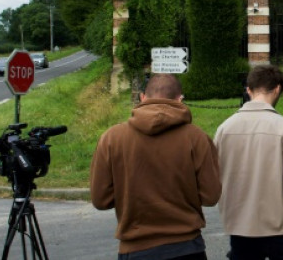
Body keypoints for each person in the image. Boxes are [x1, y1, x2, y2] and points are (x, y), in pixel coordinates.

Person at [90, 74, 221, 259]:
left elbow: (100, 199)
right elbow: (211, 196)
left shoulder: (112, 138)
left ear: (143, 97)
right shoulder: (196, 138)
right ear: (179, 99)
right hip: (187, 247)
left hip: (135, 248)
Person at [215, 65, 283, 260]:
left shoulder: (224, 129)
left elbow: (216, 180)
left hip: (240, 227)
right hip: (281, 226)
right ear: (277, 89)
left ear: (249, 90)